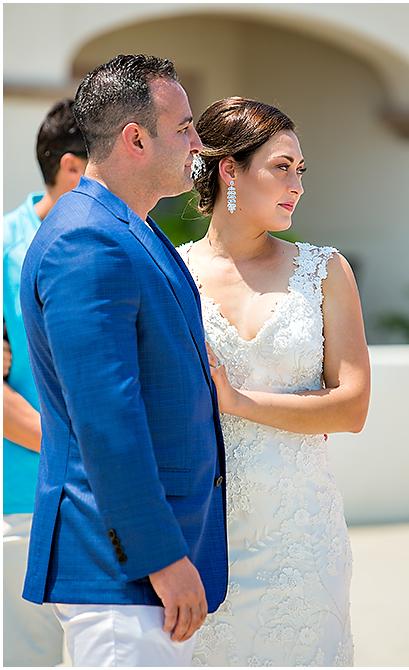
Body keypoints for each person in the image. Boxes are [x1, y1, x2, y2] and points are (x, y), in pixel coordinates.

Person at [19, 54, 228, 666]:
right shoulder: (88, 238)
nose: (198, 141)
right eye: (185, 126)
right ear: (136, 138)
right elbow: (106, 419)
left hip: (143, 579)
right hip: (120, 576)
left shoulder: (131, 227)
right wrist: (159, 555)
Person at [180, 97, 370, 666]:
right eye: (281, 167)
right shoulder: (173, 271)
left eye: (300, 170)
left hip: (301, 538)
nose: (298, 185)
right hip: (203, 534)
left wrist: (237, 401)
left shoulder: (325, 270)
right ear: (229, 169)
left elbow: (352, 408)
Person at [3, 98, 87, 666]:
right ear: (72, 169)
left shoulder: (132, 240)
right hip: (23, 501)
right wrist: (85, 452)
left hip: (113, 504)